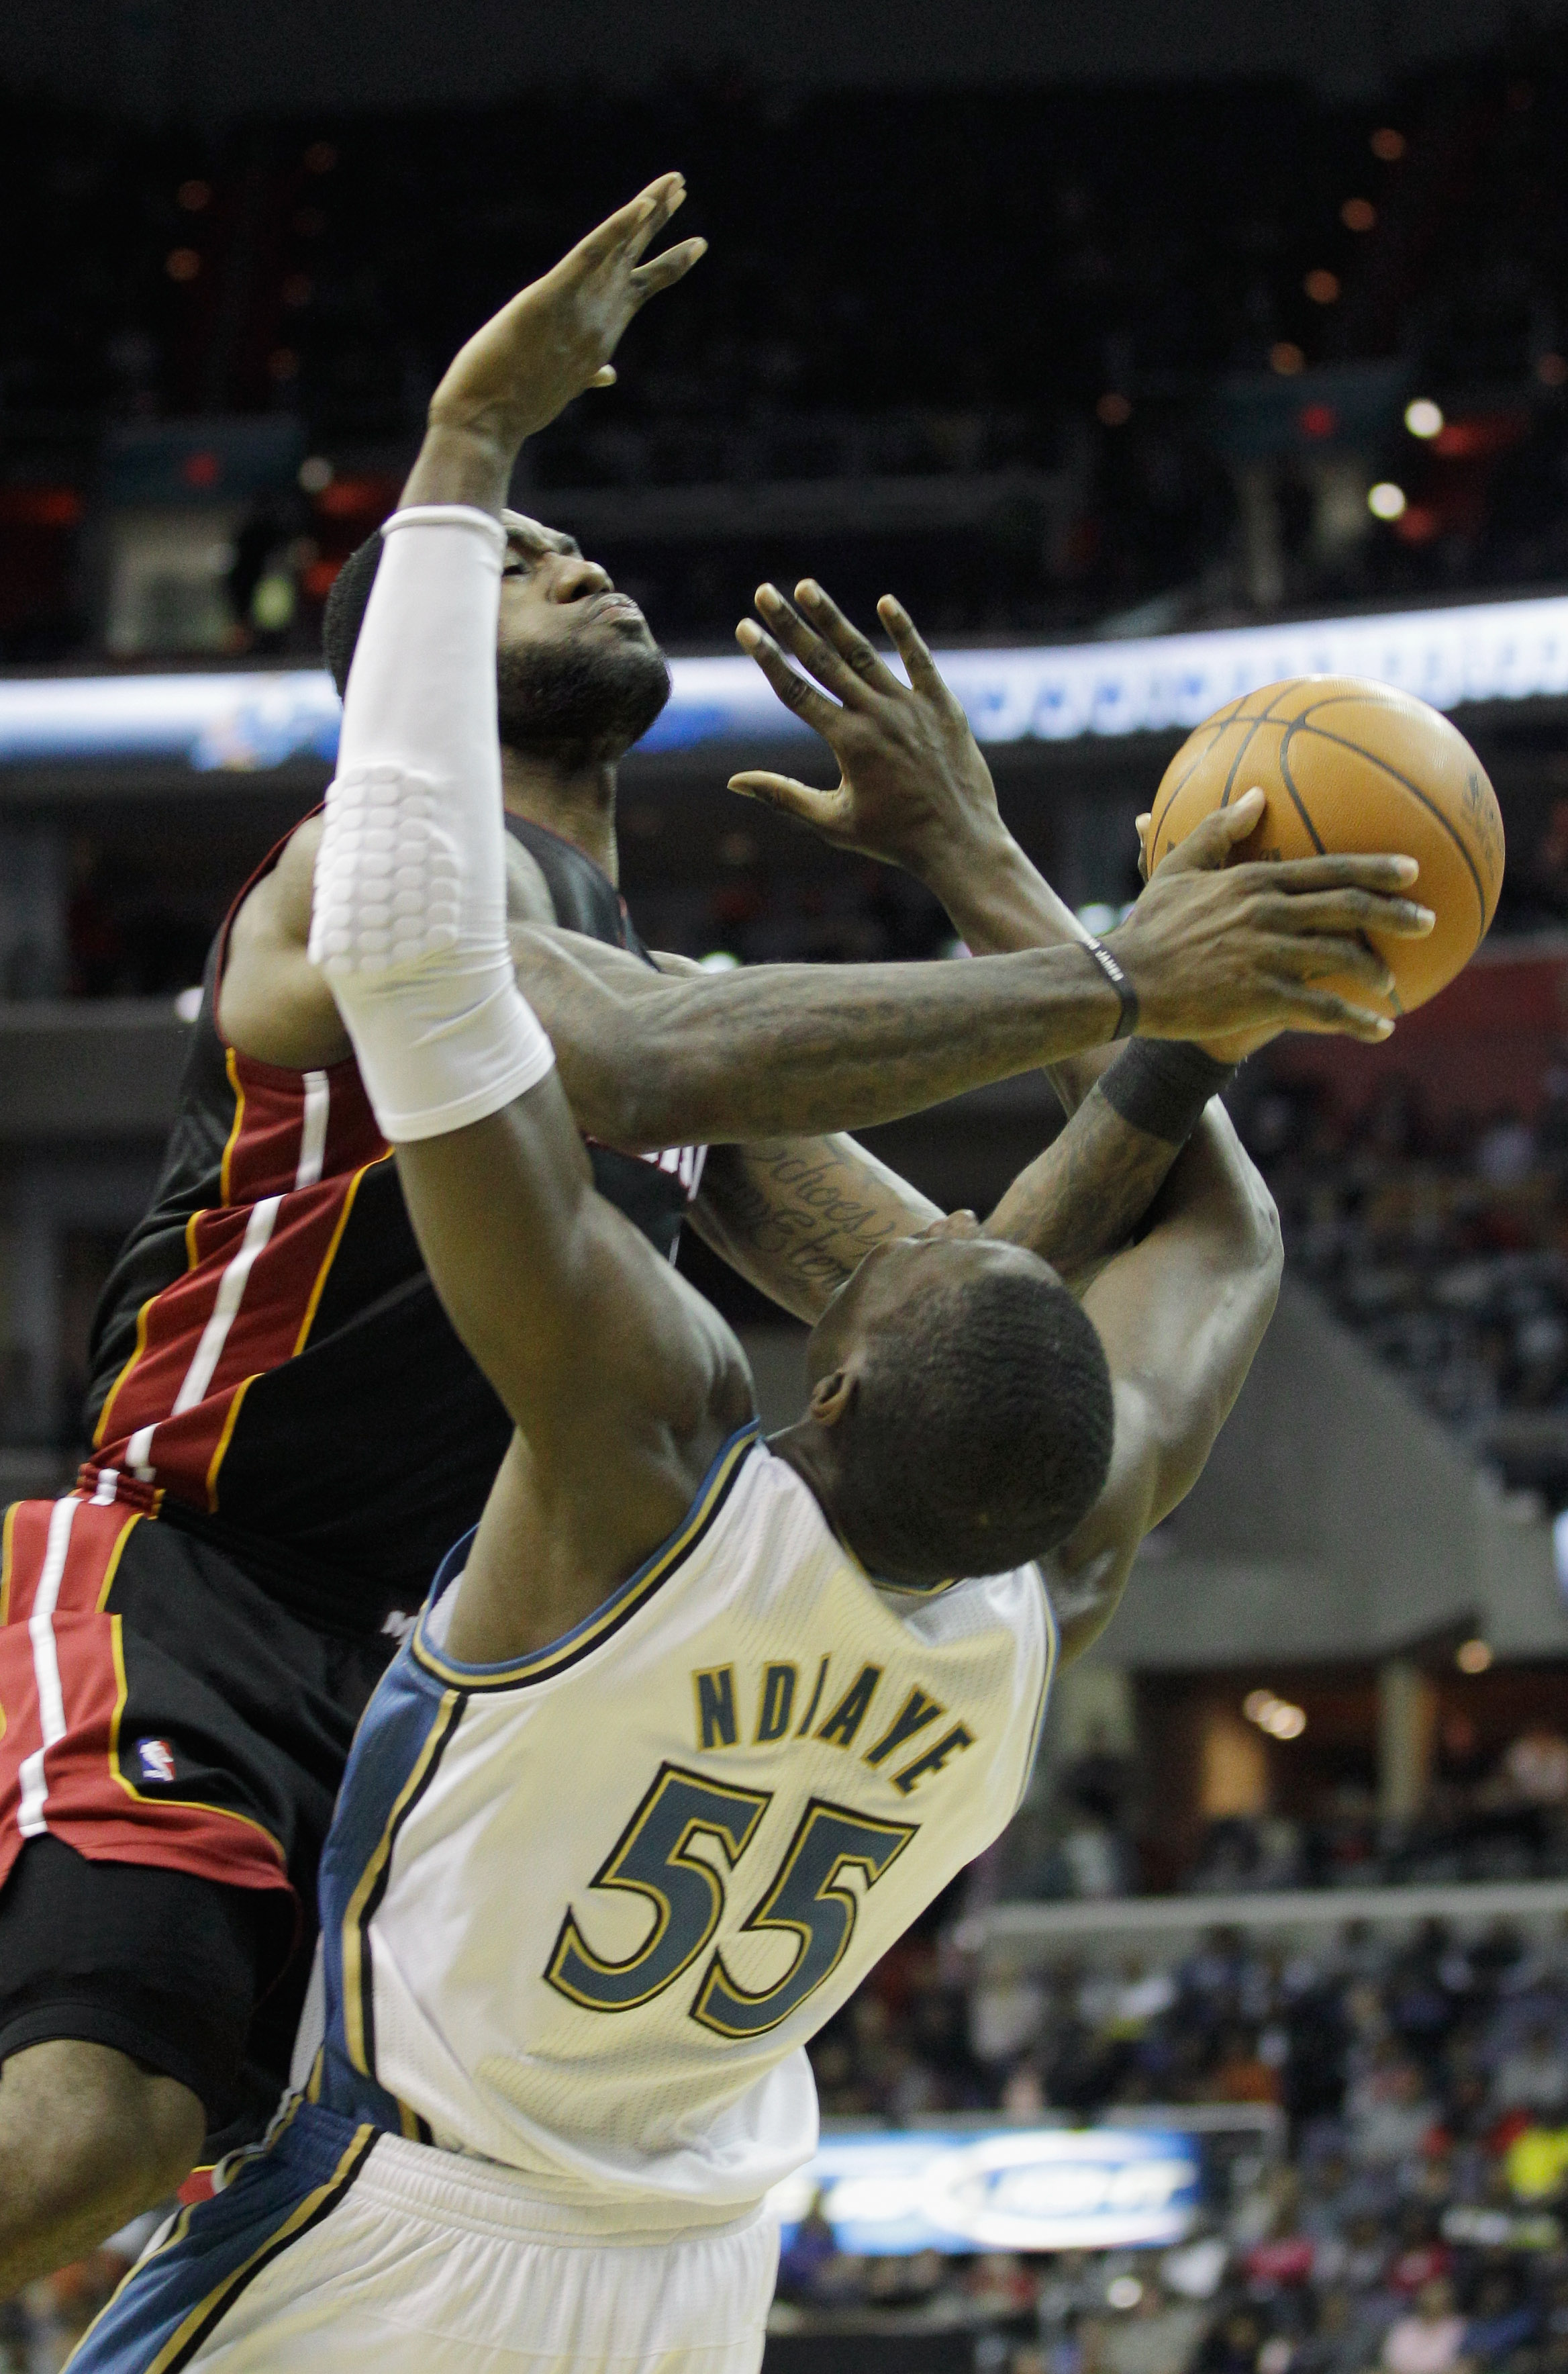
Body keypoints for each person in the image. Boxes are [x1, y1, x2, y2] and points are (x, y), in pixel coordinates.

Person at [0, 180, 1428, 2295]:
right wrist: (1121, 977)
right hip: (187, 1576)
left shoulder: (673, 1000)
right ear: (403, 671)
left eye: (567, 544)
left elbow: (959, 1319)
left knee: (302, 2189)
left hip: (456, 1666)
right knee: (99, 2125)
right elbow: (618, 1054)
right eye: (515, 556)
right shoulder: (352, 887)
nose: (571, 555)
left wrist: (1037, 906)